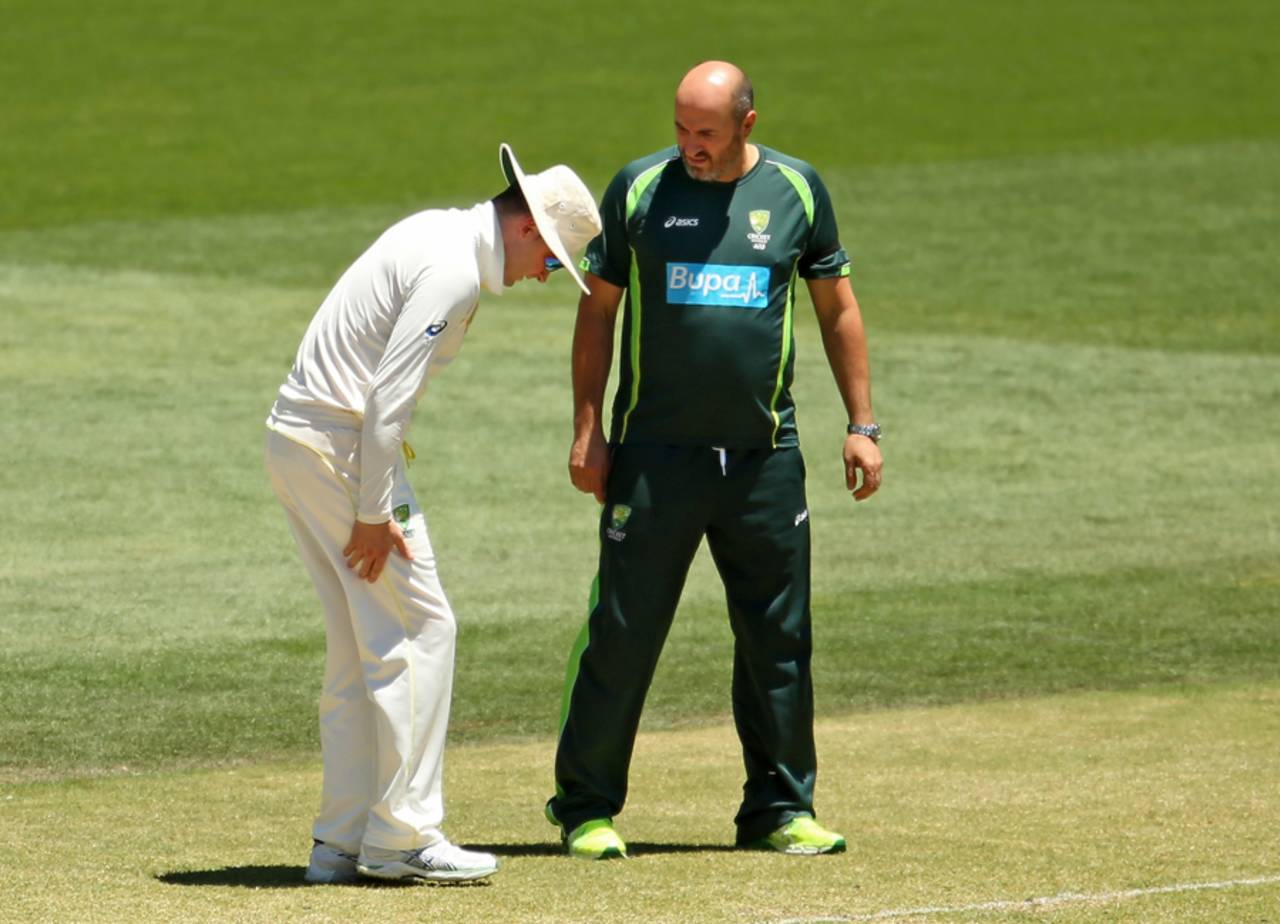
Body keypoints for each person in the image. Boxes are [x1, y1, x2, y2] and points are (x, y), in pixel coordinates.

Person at [546, 61, 884, 860]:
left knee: (778, 638)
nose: (689, 146)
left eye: (705, 132)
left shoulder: (797, 193)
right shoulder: (637, 190)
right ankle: (585, 809)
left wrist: (864, 423)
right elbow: (598, 316)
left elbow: (837, 310)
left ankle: (778, 810)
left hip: (766, 458)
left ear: (746, 126)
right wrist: (587, 427)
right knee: (623, 634)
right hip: (656, 458)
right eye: (679, 128)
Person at [264, 143, 601, 884]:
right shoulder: (453, 269)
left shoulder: (440, 233)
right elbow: (385, 402)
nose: (545, 276)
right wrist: (373, 513)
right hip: (340, 447)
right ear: (527, 231)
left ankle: (342, 841)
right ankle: (402, 836)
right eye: (551, 260)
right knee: (423, 629)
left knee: (363, 642)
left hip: (299, 439)